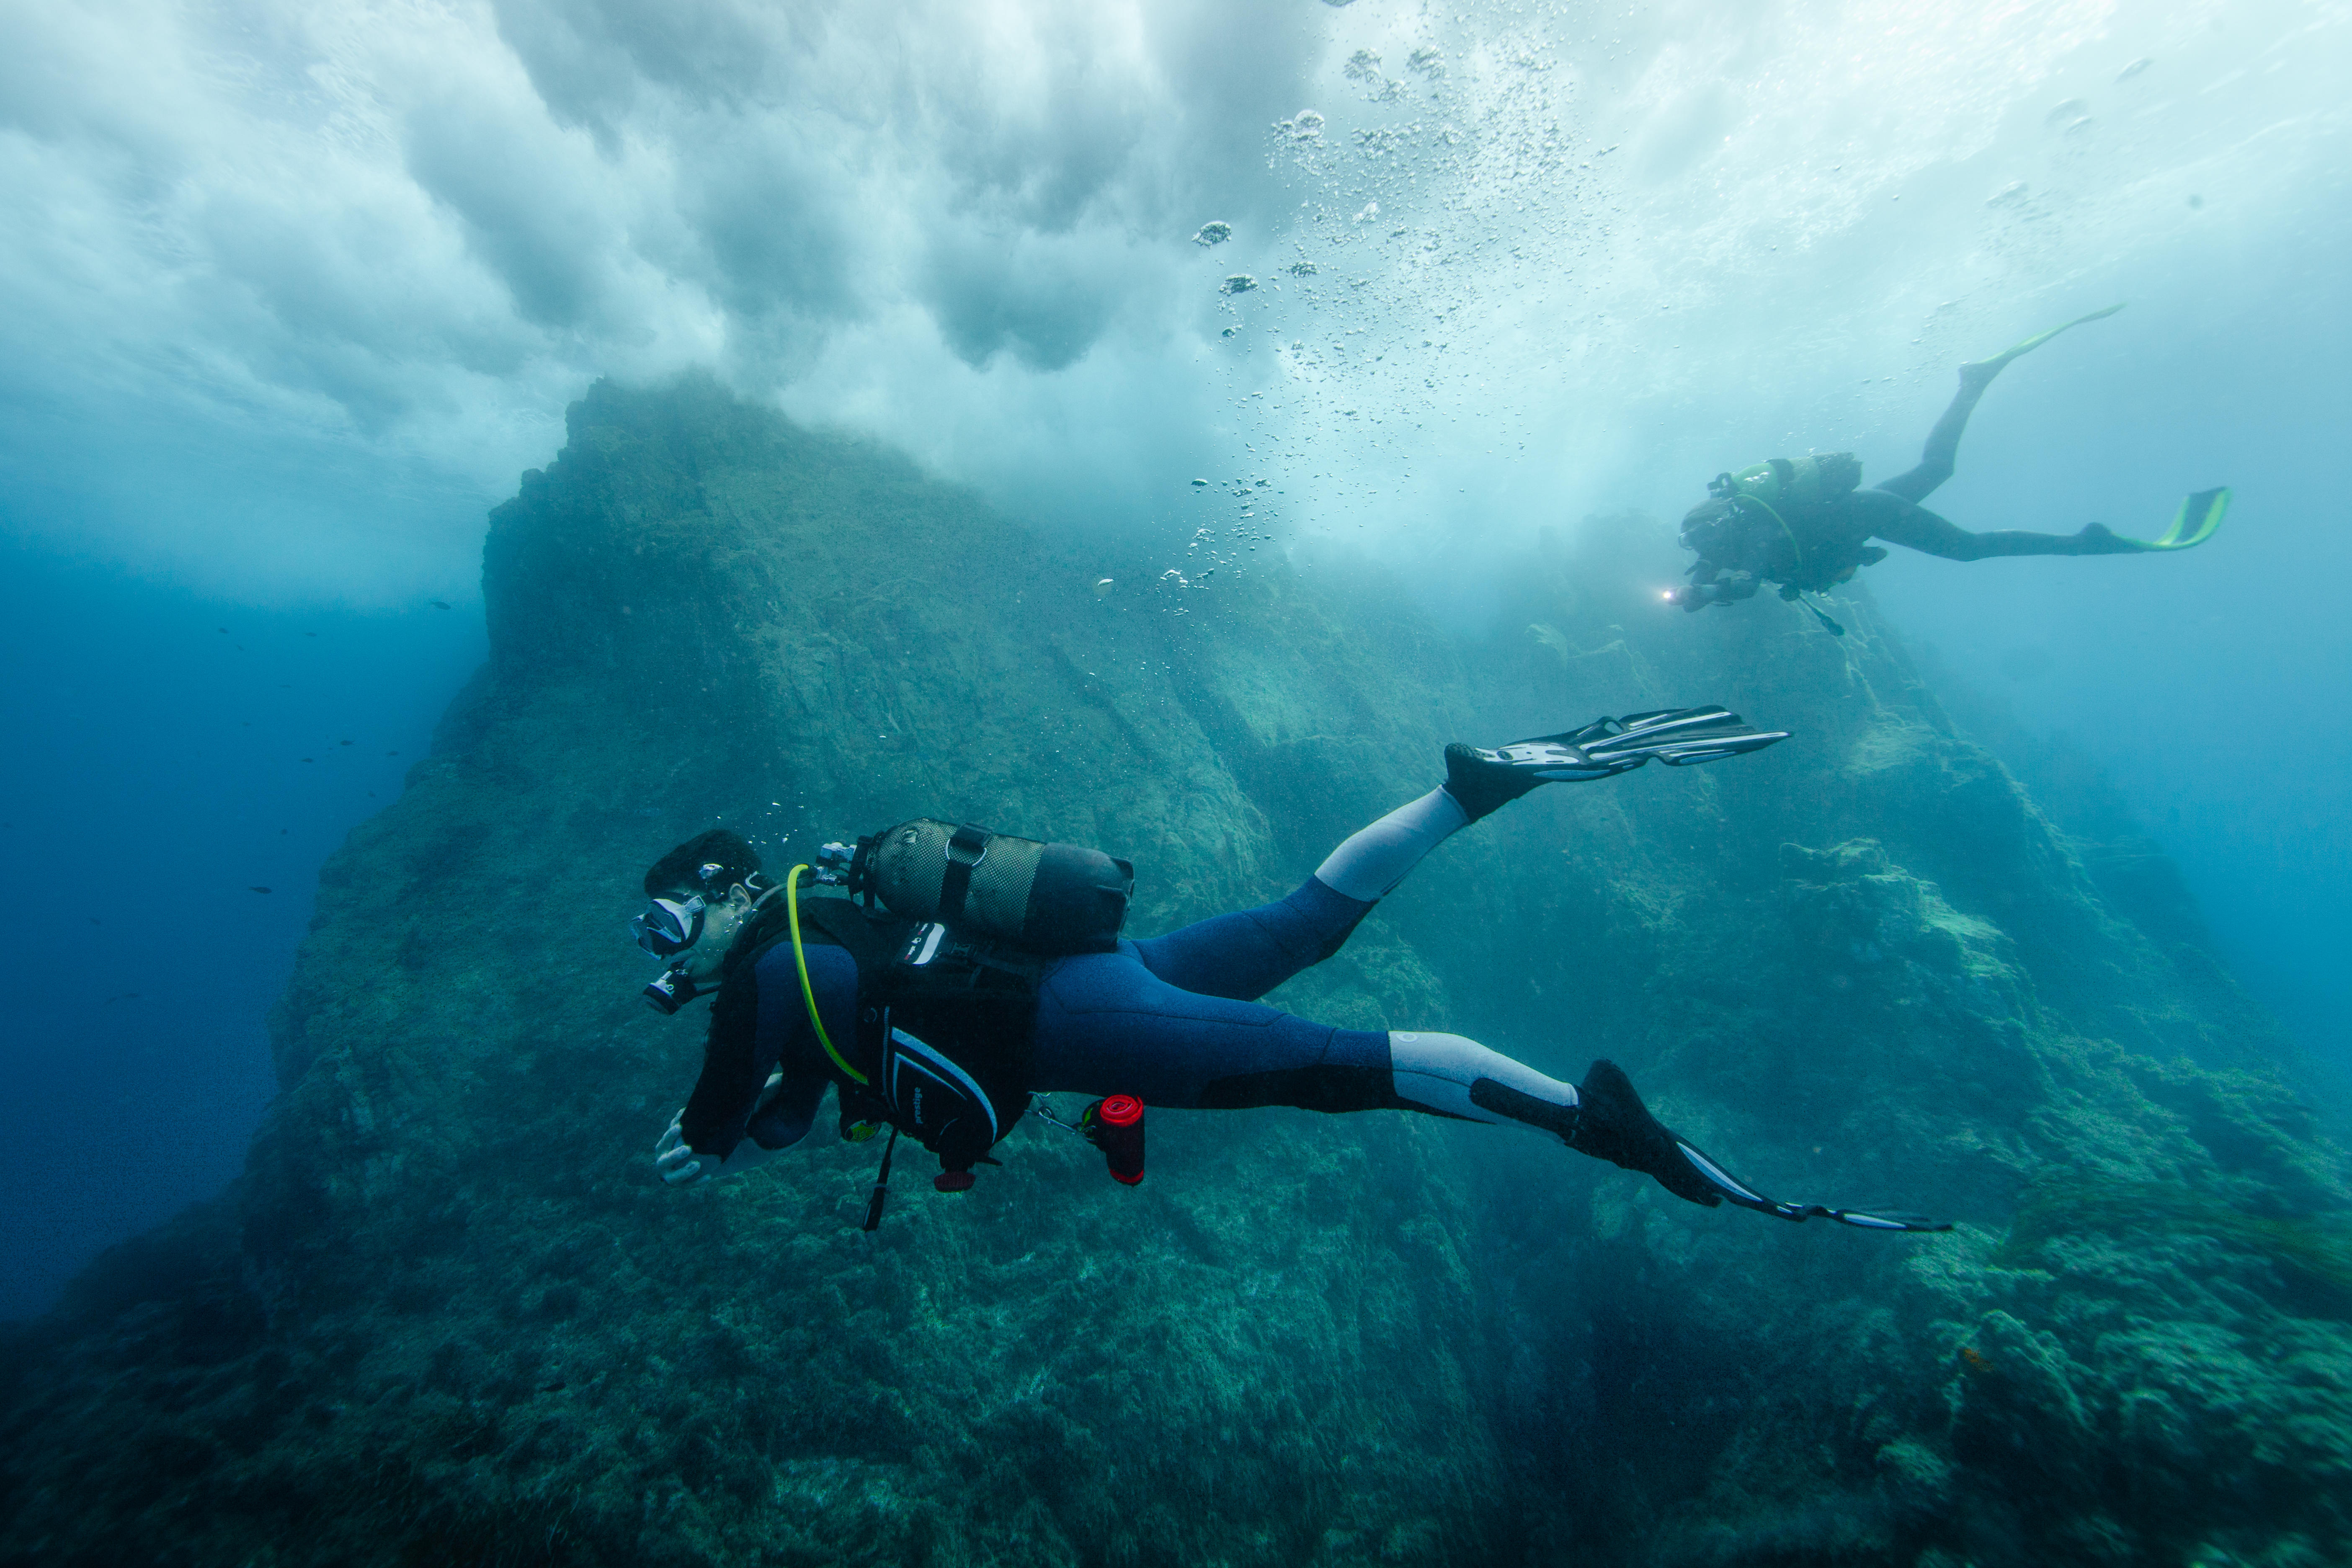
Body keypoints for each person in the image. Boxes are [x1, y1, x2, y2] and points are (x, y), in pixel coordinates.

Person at [638, 706, 1948, 1233]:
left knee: (1342, 1071)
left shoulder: (768, 965)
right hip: (1097, 969)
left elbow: (730, 1114)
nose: (667, 956)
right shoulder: (830, 921)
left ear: (715, 895)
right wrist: (769, 1113)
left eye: (663, 927)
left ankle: (1593, 1126)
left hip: (1083, 1027)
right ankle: (1469, 795)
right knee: (1297, 925)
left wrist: (701, 1136)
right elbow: (804, 1093)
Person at [1666, 306, 2228, 627]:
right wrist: (1702, 594)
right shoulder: (1733, 541)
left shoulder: (1752, 538)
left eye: (1708, 548)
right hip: (1862, 513)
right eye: (1705, 553)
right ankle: (1973, 384)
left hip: (1868, 514)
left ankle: (2086, 541)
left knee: (1969, 548)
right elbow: (1737, 574)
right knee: (1938, 469)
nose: (1706, 558)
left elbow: (1755, 561)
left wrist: (1735, 582)